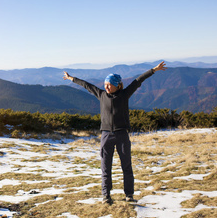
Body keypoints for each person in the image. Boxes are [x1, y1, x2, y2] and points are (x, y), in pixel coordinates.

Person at [63, 61, 167, 204]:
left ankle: (129, 195)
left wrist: (154, 70)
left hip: (122, 134)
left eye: (109, 84)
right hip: (106, 135)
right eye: (105, 84)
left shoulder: (124, 94)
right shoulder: (101, 94)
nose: (106, 87)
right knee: (105, 168)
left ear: (117, 85)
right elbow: (87, 85)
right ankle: (106, 196)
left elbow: (138, 80)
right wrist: (71, 78)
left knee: (126, 166)